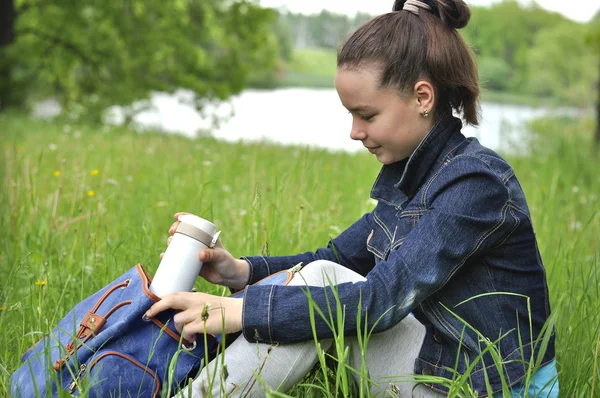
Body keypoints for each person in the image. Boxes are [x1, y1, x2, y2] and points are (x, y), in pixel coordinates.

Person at [145, 0, 558, 396]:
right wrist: (239, 272)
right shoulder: (413, 176)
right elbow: (339, 258)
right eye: (351, 115)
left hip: (489, 387)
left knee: (322, 290)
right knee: (323, 278)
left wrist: (239, 310)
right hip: (442, 364)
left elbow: (379, 301)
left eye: (368, 115)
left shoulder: (476, 184)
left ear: (422, 98)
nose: (355, 132)